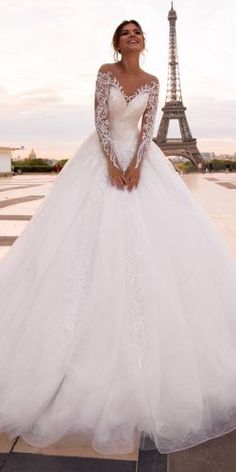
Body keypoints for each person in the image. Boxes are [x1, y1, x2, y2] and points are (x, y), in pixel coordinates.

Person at [0, 19, 235, 456]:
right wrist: (111, 161)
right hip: (102, 159)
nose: (133, 37)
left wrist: (137, 164)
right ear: (117, 41)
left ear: (145, 42)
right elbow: (101, 120)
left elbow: (147, 130)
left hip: (141, 161)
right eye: (126, 32)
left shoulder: (153, 80)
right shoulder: (106, 73)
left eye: (138, 33)